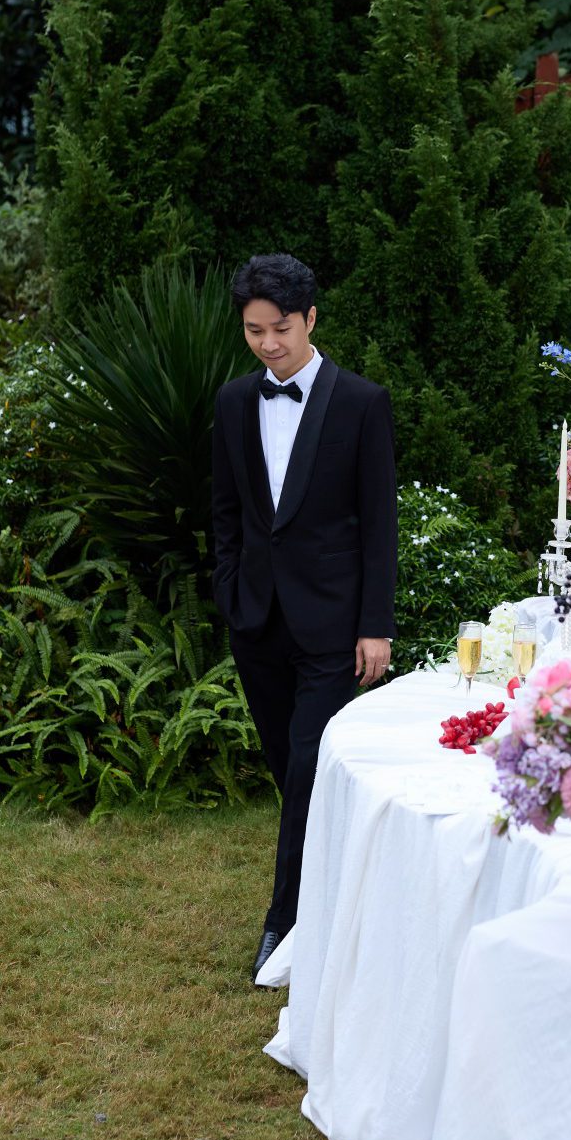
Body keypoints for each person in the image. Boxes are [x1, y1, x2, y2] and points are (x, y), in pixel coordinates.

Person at [212, 253, 397, 980]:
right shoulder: (233, 401)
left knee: (310, 767)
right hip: (257, 620)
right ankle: (347, 892)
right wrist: (231, 593)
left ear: (311, 318)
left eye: (281, 329)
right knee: (295, 778)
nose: (268, 344)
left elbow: (378, 523)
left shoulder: (361, 402)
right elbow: (226, 511)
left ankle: (284, 926)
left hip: (335, 628)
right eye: (254, 331)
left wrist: (375, 625)